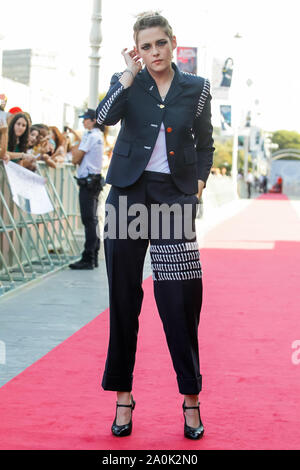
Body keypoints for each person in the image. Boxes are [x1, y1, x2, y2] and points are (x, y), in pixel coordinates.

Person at [96, 11, 214, 439]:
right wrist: (126, 76)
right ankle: (123, 397)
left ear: (172, 42)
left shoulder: (196, 89)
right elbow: (104, 117)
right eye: (145, 47)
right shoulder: (130, 81)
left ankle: (191, 398)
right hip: (126, 197)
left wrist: (196, 185)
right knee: (124, 298)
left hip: (173, 198)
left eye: (159, 44)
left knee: (180, 301)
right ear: (137, 50)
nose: (153, 53)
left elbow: (205, 142)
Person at [69, 109, 105, 270]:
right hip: (94, 181)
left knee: (88, 220)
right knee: (93, 220)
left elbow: (76, 158)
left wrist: (75, 145)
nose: (83, 122)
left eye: (85, 119)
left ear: (93, 120)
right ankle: (93, 256)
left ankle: (88, 257)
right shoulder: (98, 136)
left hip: (88, 182)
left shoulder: (90, 136)